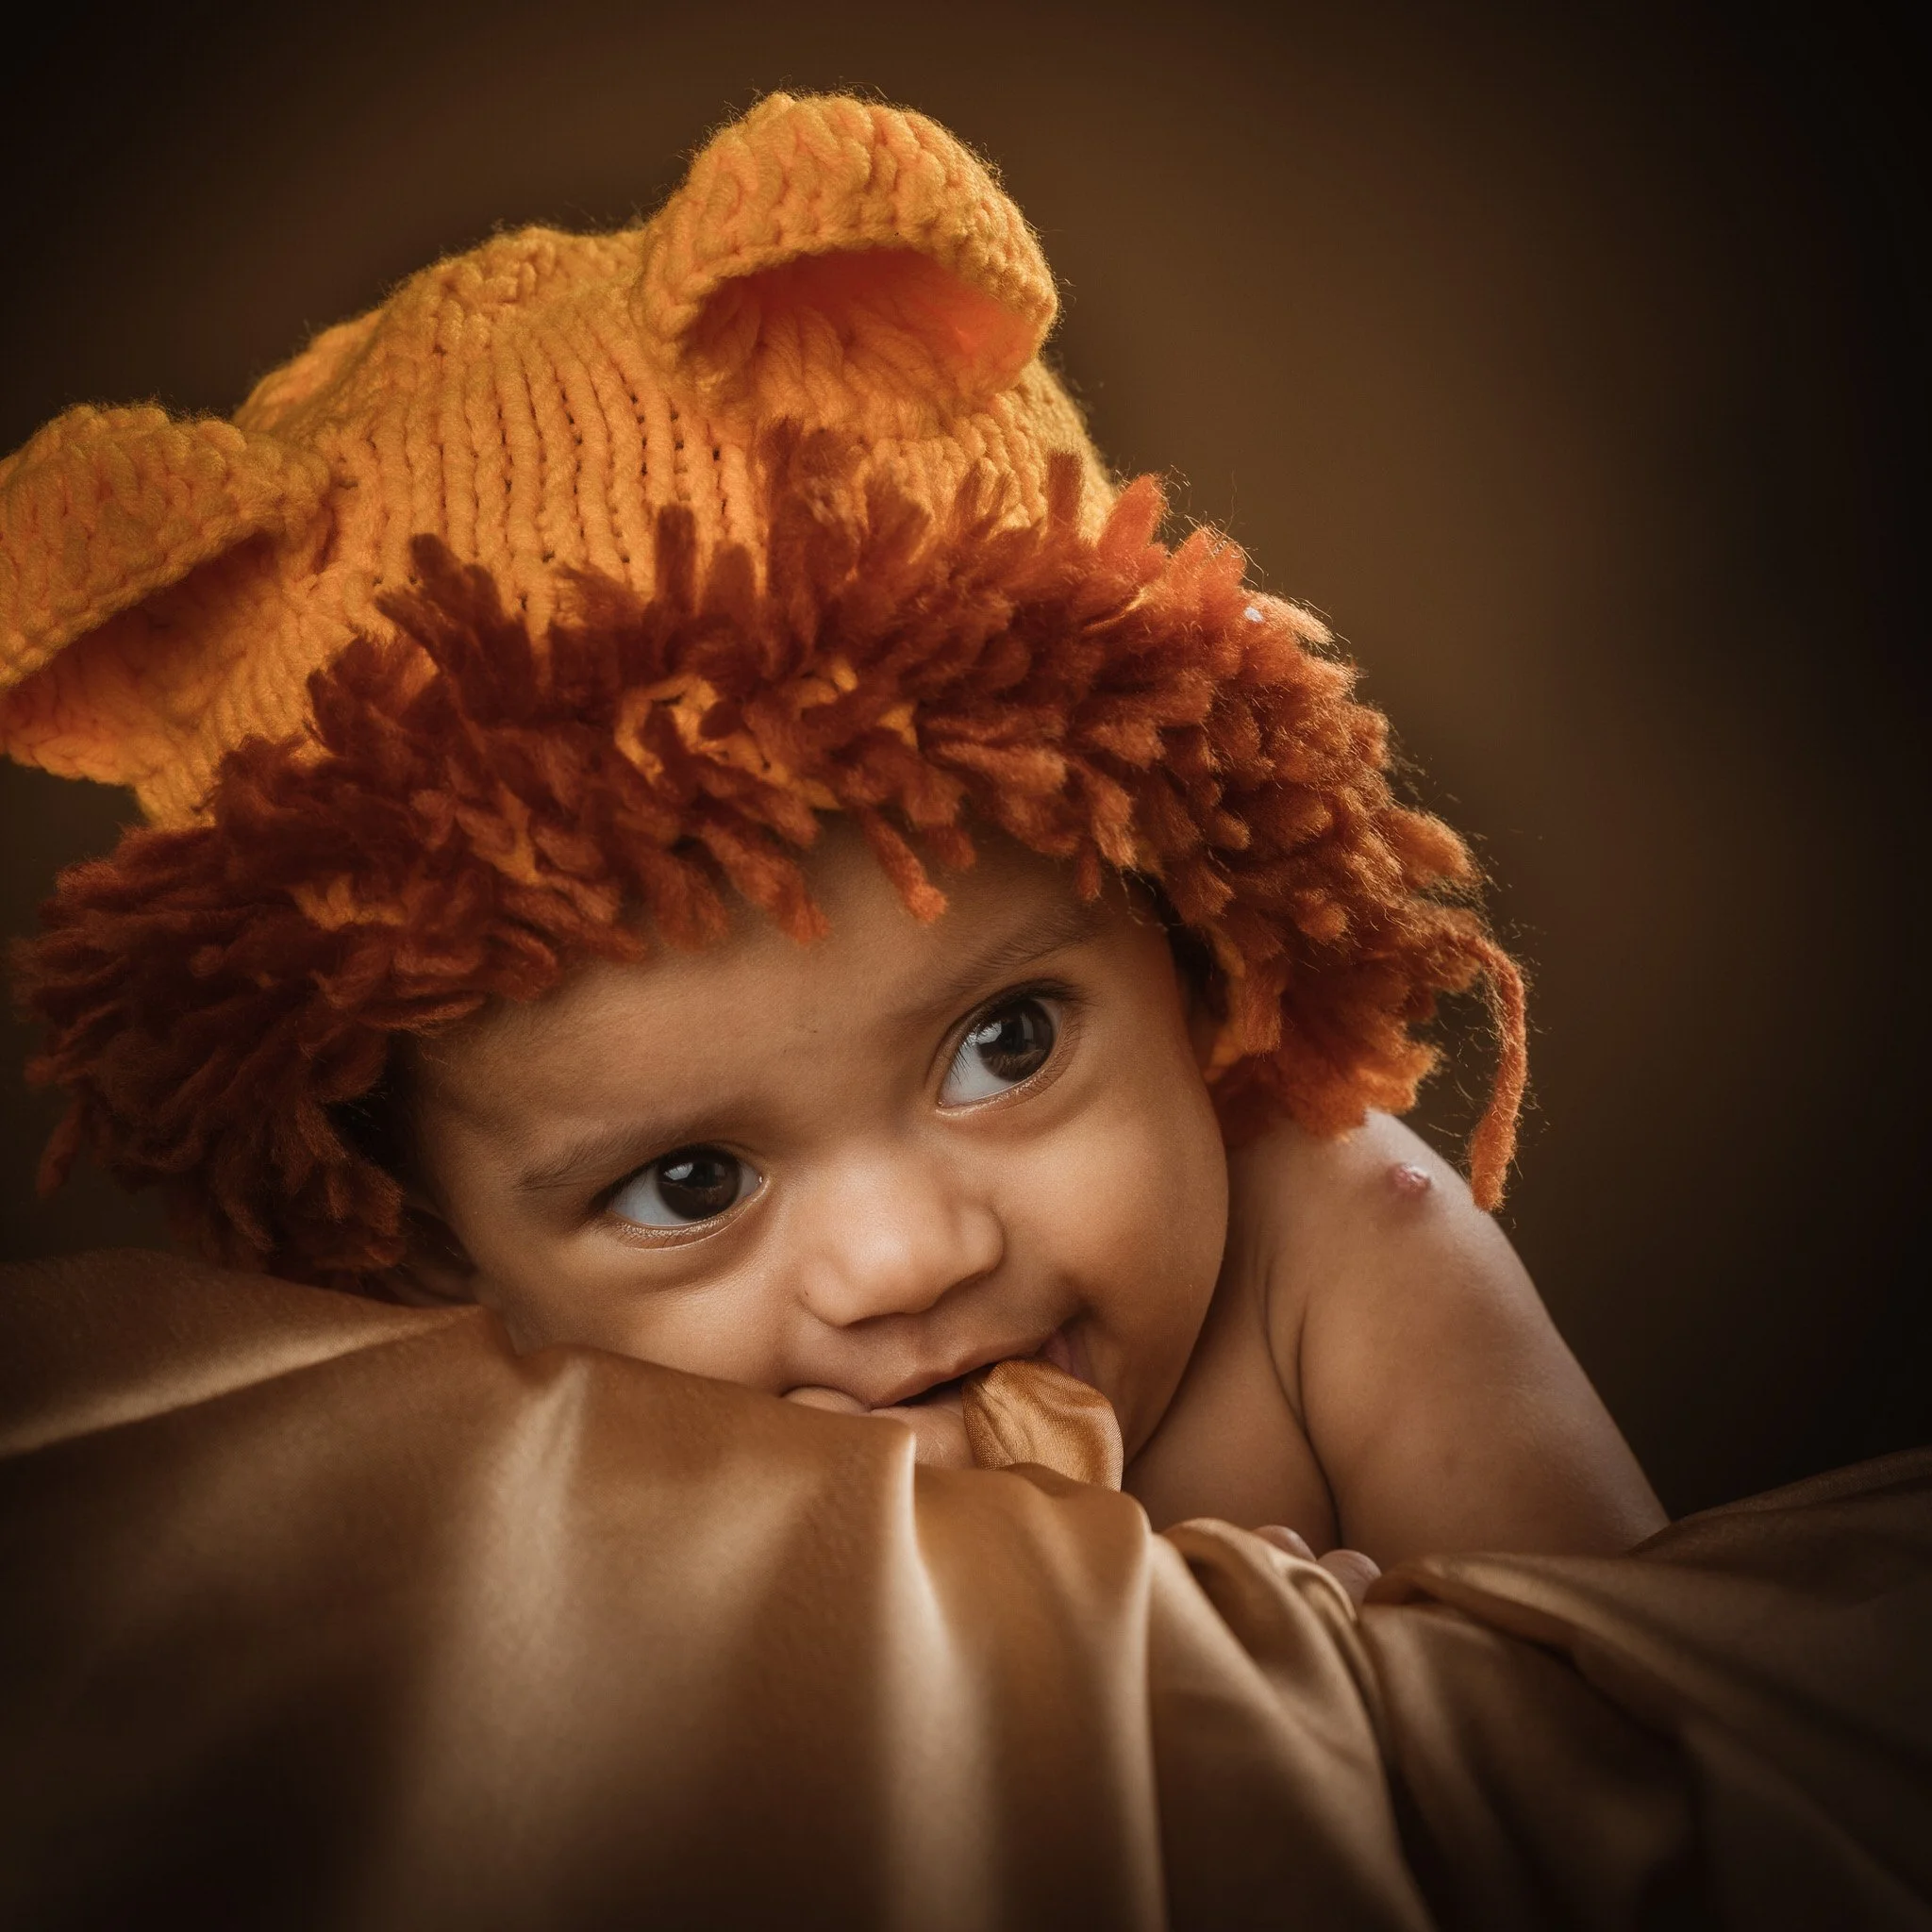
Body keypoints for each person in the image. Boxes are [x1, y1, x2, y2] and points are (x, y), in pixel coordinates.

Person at [0, 92, 1660, 1578]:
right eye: (691, 1182)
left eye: (1007, 1042)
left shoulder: (1334, 1258)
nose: (904, 1260)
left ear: (1177, 918)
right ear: (431, 1249)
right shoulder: (494, 1501)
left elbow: (1637, 1763)